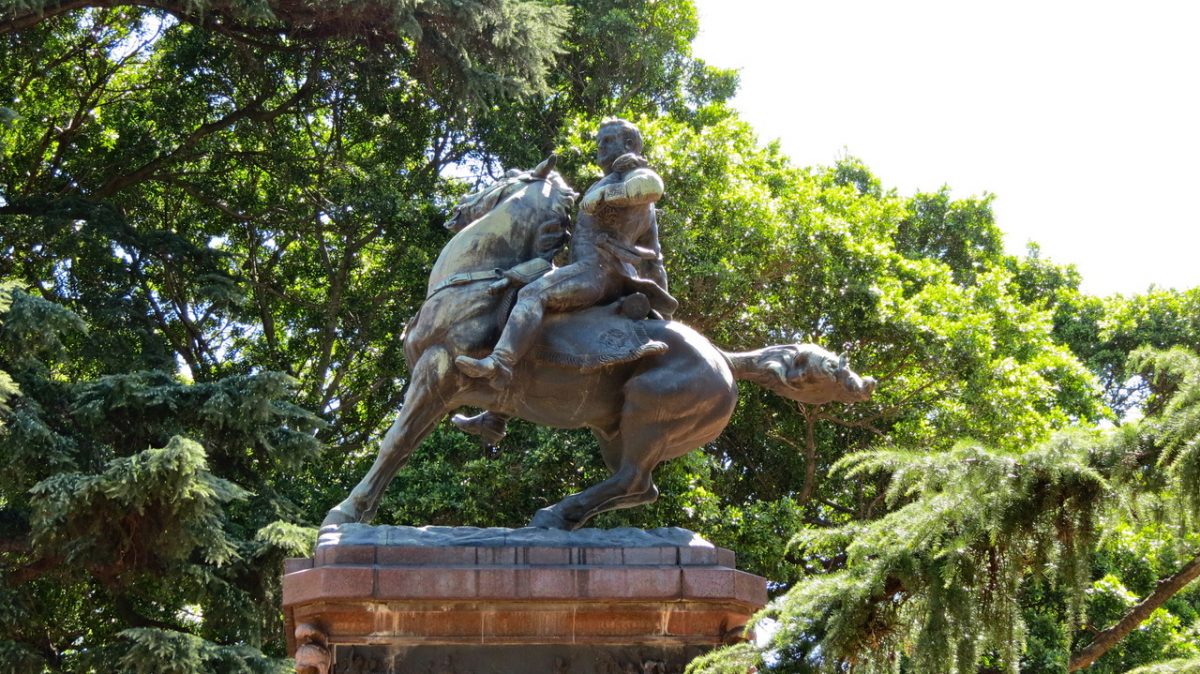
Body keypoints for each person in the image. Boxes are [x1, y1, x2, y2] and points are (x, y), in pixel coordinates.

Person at [454, 118, 678, 392]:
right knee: (518, 290)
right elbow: (655, 260)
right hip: (599, 273)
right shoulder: (615, 181)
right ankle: (496, 416)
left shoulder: (631, 174)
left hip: (596, 273)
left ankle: (499, 363)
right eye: (599, 141)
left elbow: (652, 187)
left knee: (532, 295)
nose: (600, 147)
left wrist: (608, 193)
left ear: (629, 144)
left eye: (607, 141)